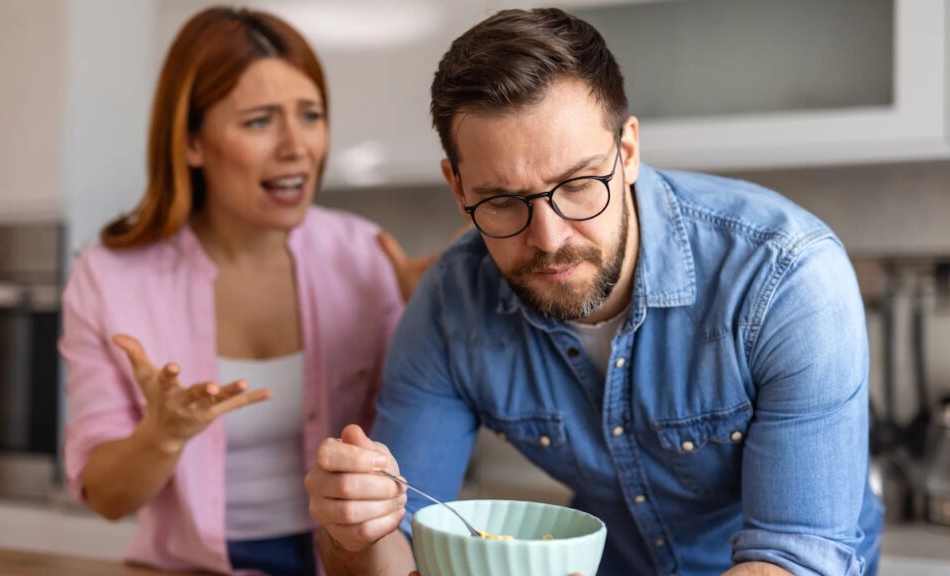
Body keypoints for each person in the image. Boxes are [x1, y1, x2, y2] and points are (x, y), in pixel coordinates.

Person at [304, 8, 883, 576]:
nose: (549, 239)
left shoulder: (786, 277)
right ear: (458, 189)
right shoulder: (450, 306)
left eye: (578, 185)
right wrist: (357, 530)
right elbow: (402, 548)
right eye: (503, 201)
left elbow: (795, 558)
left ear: (627, 152)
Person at [59, 7, 432, 575]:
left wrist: (432, 321)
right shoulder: (108, 277)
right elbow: (107, 499)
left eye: (310, 115)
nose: (296, 146)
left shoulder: (366, 258)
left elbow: (413, 442)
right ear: (191, 144)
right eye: (259, 121)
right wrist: (162, 435)